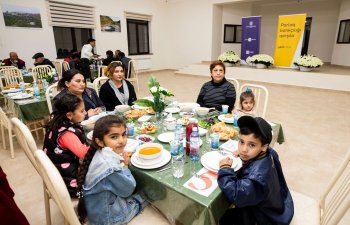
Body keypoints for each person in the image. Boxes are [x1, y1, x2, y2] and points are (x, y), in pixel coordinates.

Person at [218, 116, 294, 225]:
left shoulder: (256, 178)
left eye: (252, 145)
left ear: (264, 146)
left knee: (222, 217)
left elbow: (236, 195)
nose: (244, 149)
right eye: (241, 142)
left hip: (264, 219)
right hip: (278, 206)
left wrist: (225, 169)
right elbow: (258, 149)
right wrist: (247, 152)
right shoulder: (269, 152)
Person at [77, 115, 148, 224]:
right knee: (148, 194)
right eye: (114, 137)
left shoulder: (98, 153)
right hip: (109, 219)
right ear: (100, 142)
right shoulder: (109, 167)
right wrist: (125, 166)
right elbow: (128, 190)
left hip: (96, 211)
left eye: (123, 134)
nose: (122, 140)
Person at [43, 93, 89, 197]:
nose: (85, 113)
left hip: (58, 173)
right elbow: (83, 153)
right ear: (69, 115)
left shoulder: (57, 124)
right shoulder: (66, 134)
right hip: (69, 183)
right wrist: (99, 142)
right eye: (81, 111)